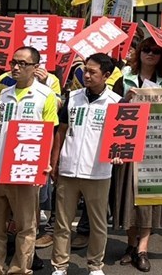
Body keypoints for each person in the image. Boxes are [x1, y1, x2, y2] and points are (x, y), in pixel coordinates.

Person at [0, 46, 59, 275]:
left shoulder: (46, 96)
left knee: (26, 228)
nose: (16, 67)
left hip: (24, 171)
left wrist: (44, 165)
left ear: (35, 67)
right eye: (14, 62)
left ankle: (19, 270)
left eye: (23, 63)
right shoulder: (3, 93)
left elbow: (49, 133)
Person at [50, 53, 122, 275]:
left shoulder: (117, 103)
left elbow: (122, 137)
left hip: (98, 172)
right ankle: (60, 266)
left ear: (106, 75)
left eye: (92, 72)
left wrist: (119, 153)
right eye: (85, 71)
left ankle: (95, 265)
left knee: (98, 224)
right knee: (62, 223)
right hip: (69, 169)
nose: (86, 75)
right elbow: (60, 132)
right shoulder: (72, 98)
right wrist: (55, 162)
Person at [111, 38, 162, 272]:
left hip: (156, 146)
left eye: (156, 51)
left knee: (148, 199)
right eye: (146, 49)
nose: (150, 54)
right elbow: (113, 108)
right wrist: (126, 100)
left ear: (161, 57)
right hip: (128, 142)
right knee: (127, 197)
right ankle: (130, 244)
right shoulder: (124, 78)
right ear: (139, 53)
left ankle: (142, 249)